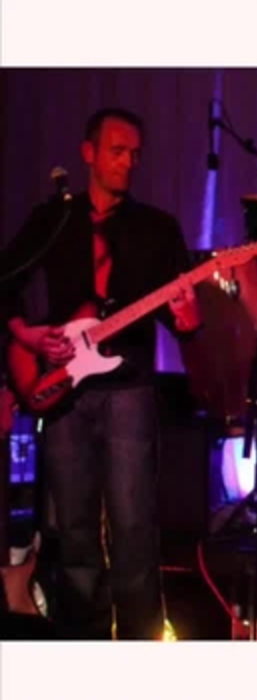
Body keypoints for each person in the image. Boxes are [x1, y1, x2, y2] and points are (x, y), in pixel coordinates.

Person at [0, 107, 201, 640]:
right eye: (117, 151)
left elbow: (180, 322)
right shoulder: (53, 219)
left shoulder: (158, 228)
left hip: (129, 387)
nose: (128, 162)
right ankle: (80, 644)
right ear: (88, 153)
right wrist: (25, 335)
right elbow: (5, 282)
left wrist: (187, 315)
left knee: (135, 526)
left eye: (135, 154)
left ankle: (138, 643)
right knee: (73, 530)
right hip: (63, 390)